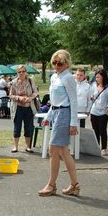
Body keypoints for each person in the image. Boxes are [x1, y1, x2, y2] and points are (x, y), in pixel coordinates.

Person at [38, 49, 80, 197]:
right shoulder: (55, 77)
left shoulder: (68, 78)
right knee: (63, 151)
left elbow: (73, 101)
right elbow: (54, 101)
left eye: (60, 63)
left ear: (67, 63)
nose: (56, 65)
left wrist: (73, 123)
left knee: (53, 150)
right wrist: (48, 116)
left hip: (64, 114)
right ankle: (74, 185)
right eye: (54, 63)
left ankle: (51, 185)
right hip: (56, 112)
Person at [9, 65, 39, 153]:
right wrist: (19, 98)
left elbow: (36, 92)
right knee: (17, 127)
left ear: (26, 72)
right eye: (19, 72)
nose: (21, 73)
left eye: (23, 71)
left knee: (28, 127)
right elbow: (11, 95)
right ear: (17, 73)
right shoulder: (13, 82)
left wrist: (30, 98)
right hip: (17, 107)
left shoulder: (30, 81)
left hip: (29, 107)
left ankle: (28, 147)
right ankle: (15, 146)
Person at [89, 69, 108, 156]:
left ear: (103, 77)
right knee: (95, 130)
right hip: (94, 111)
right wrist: (91, 97)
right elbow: (92, 95)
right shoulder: (94, 86)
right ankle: (96, 147)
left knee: (102, 130)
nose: (97, 79)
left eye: (98, 77)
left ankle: (104, 148)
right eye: (96, 77)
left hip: (103, 112)